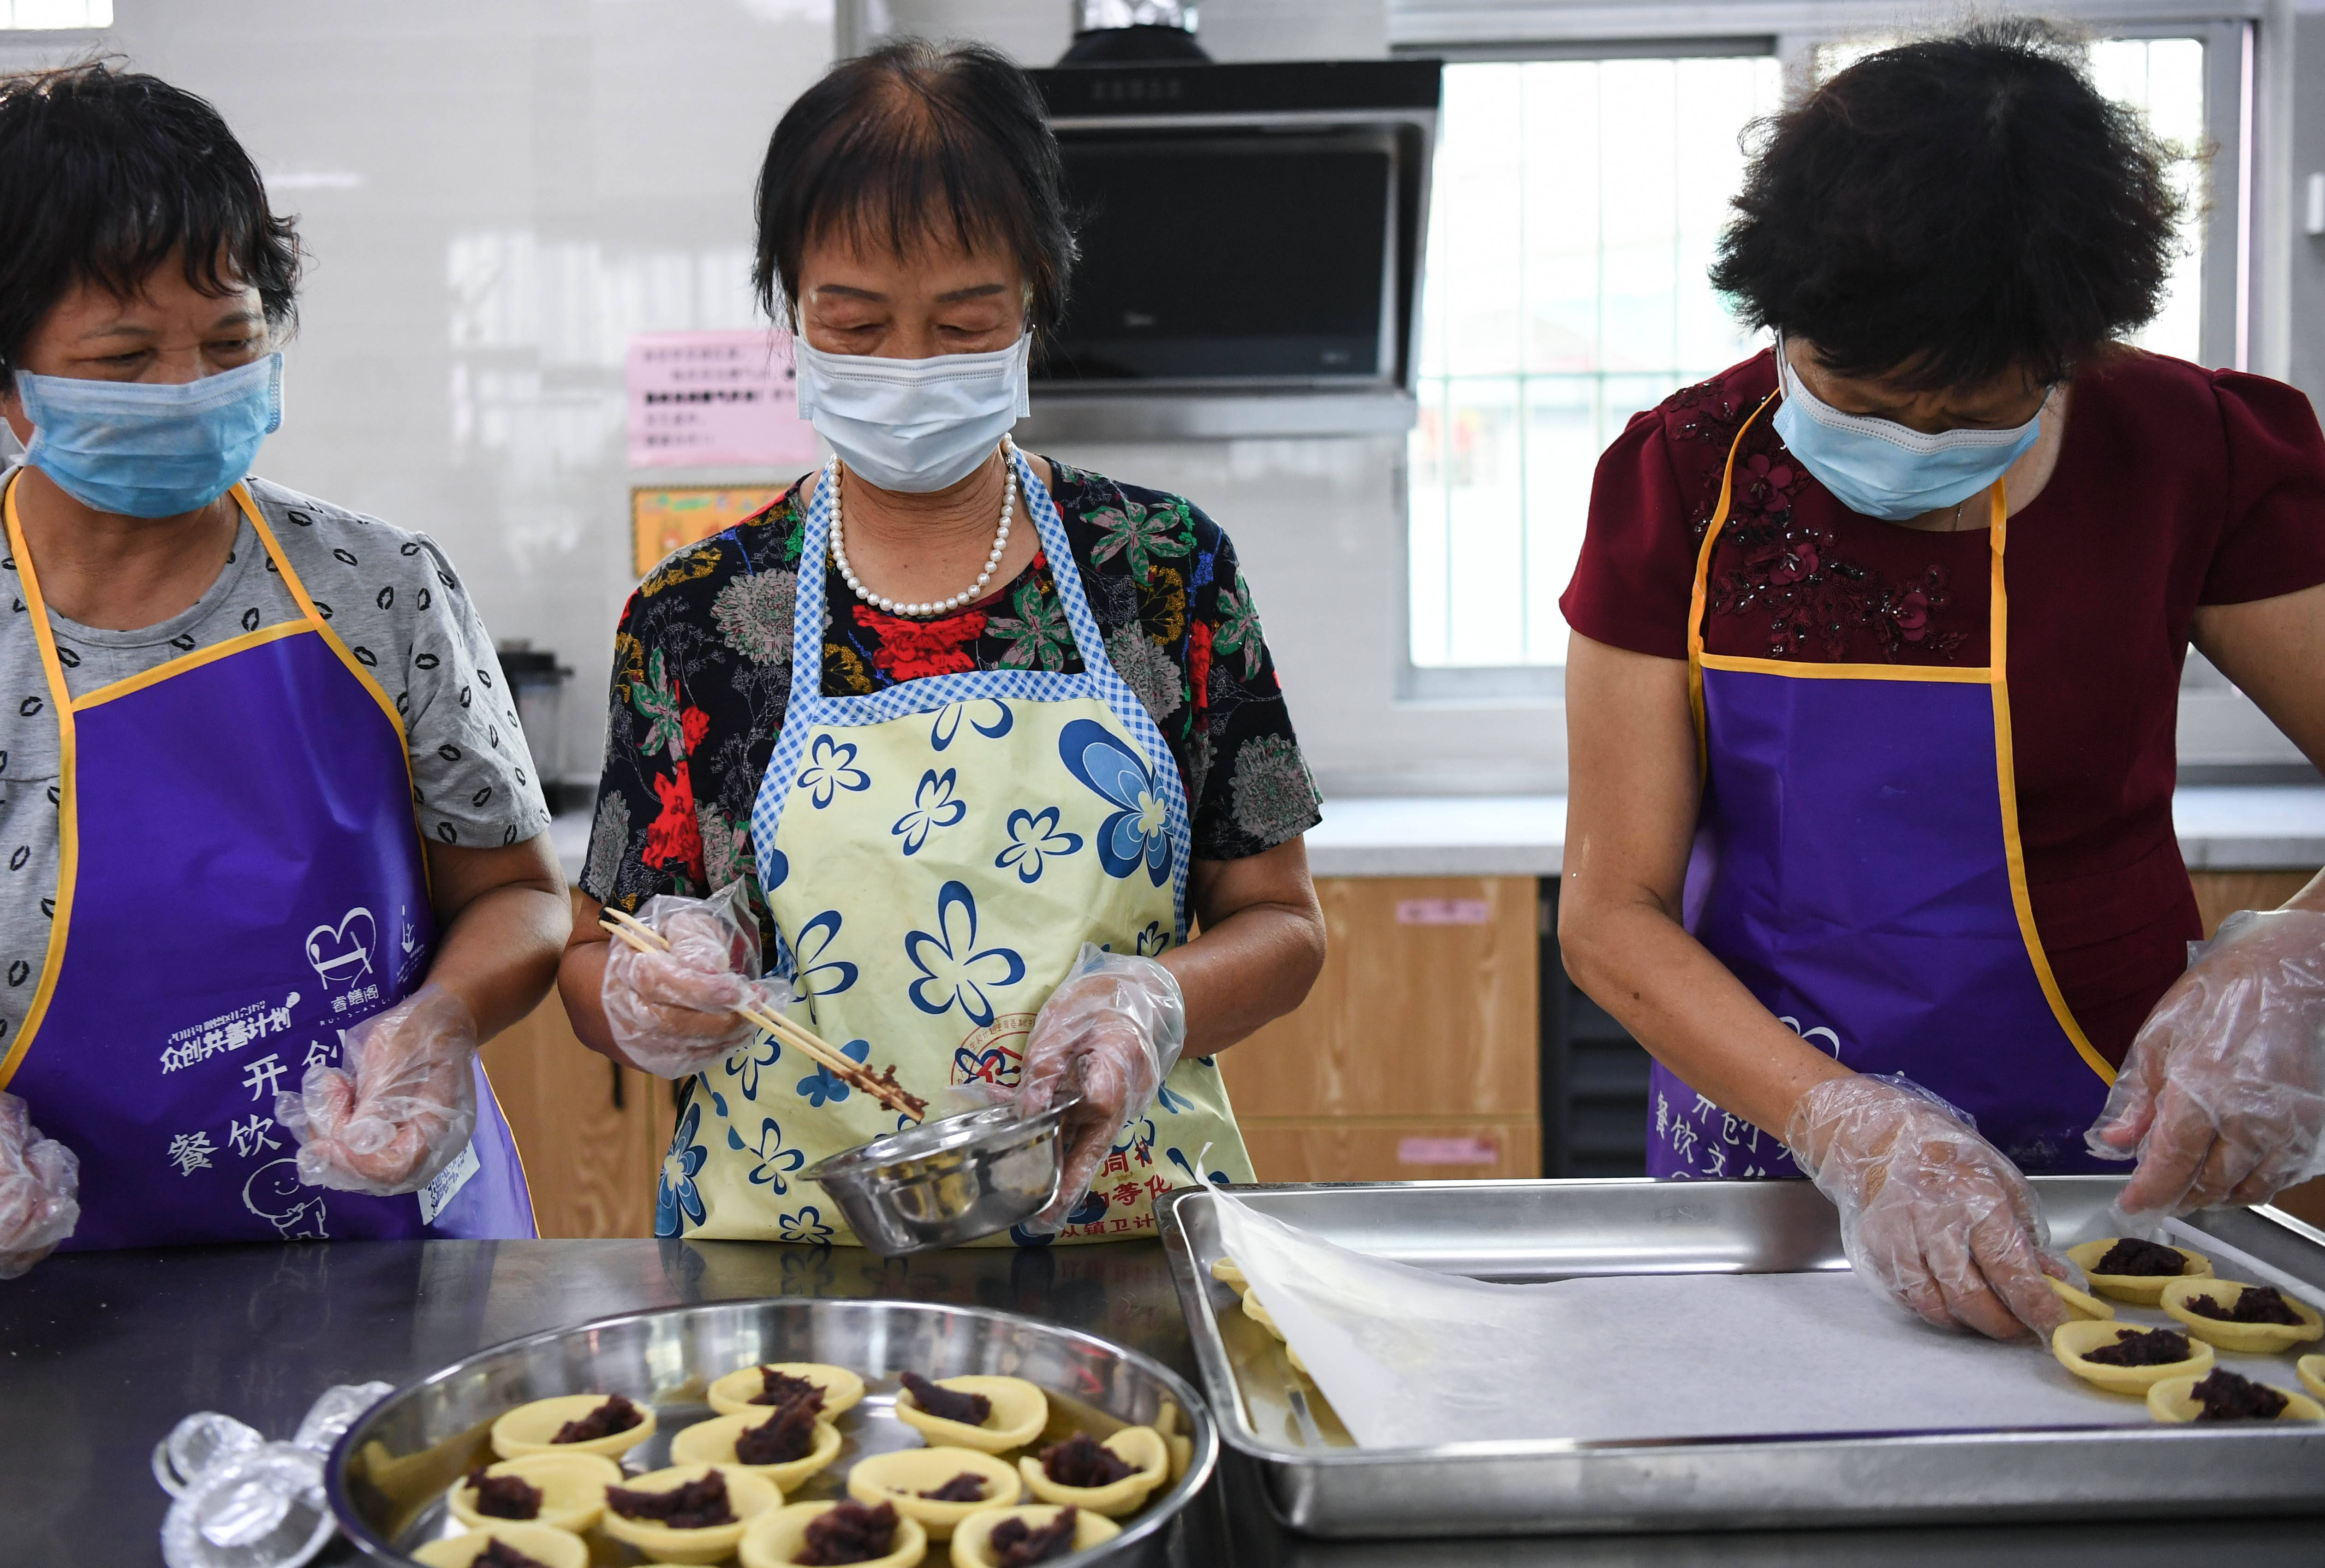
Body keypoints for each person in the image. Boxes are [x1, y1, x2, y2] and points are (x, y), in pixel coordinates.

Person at [1557, 24, 2325, 1340]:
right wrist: (1849, 1129)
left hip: (2113, 1148)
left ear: (2068, 351)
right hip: (1780, 1152)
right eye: (1856, 395)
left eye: (1968, 414)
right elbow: (1610, 913)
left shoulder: (2192, 451)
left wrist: (2296, 965)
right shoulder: (1685, 476)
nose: (1909, 444)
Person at [560, 39, 1326, 1246]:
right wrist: (651, 990)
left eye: (965, 323)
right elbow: (591, 956)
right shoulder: (701, 615)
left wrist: (1156, 1003)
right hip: (792, 1256)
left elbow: (1285, 926)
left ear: (1033, 300)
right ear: (791, 308)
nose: (910, 368)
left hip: (1118, 1243)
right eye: (855, 325)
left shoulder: (1164, 573)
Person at [0, 65, 565, 1275]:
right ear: (11, 384)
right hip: (66, 1292)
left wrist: (437, 1028)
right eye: (125, 356)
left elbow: (518, 894)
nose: (189, 390)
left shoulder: (380, 586)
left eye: (229, 342)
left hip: (398, 1249)